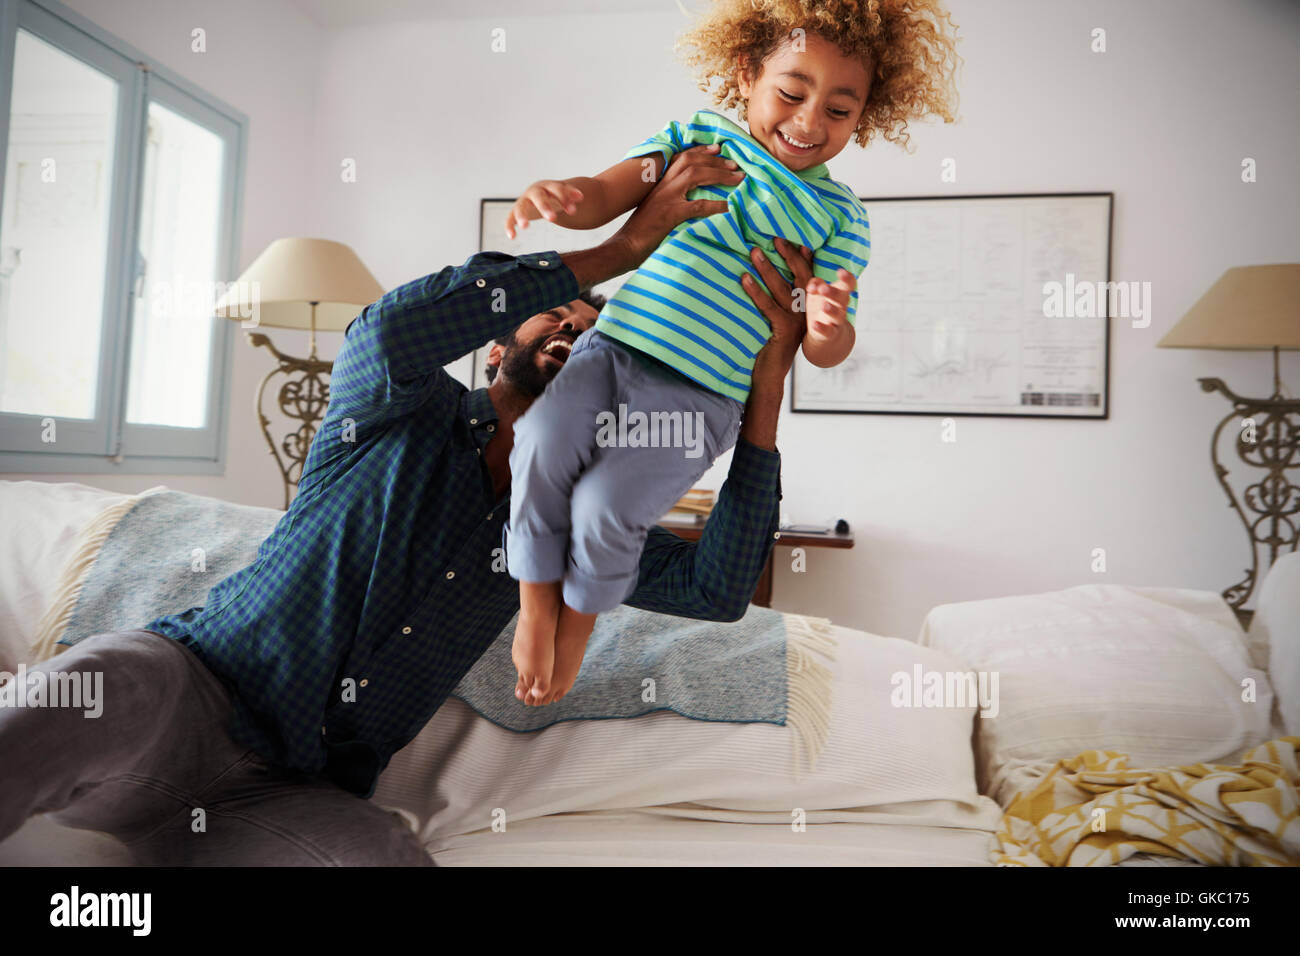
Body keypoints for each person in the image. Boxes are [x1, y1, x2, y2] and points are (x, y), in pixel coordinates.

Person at [0, 145, 818, 866]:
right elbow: (389, 329)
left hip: (289, 792)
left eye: (595, 337)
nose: (575, 331)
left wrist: (767, 390)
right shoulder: (395, 407)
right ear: (497, 350)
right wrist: (615, 251)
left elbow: (715, 591)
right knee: (95, 684)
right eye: (557, 317)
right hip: (186, 694)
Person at [501, 0, 961, 708]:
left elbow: (827, 345)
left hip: (701, 397)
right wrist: (565, 197)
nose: (809, 123)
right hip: (614, 349)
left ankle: (578, 628)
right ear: (747, 72)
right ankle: (536, 605)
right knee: (539, 441)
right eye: (790, 93)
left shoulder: (841, 218)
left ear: (864, 115)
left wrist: (828, 320)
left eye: (839, 111)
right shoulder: (699, 140)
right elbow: (609, 193)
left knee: (605, 504)